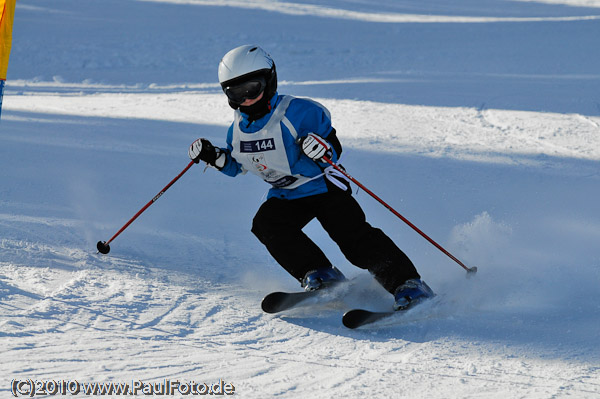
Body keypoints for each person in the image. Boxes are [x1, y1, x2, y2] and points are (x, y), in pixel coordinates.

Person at [188, 45, 434, 310]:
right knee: (267, 224)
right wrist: (215, 157)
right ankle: (321, 274)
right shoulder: (237, 131)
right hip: (286, 193)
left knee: (353, 239)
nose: (246, 99)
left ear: (269, 80)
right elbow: (237, 165)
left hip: (323, 187)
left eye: (252, 88)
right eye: (236, 93)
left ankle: (408, 285)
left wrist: (322, 147)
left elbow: (332, 144)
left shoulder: (299, 112)